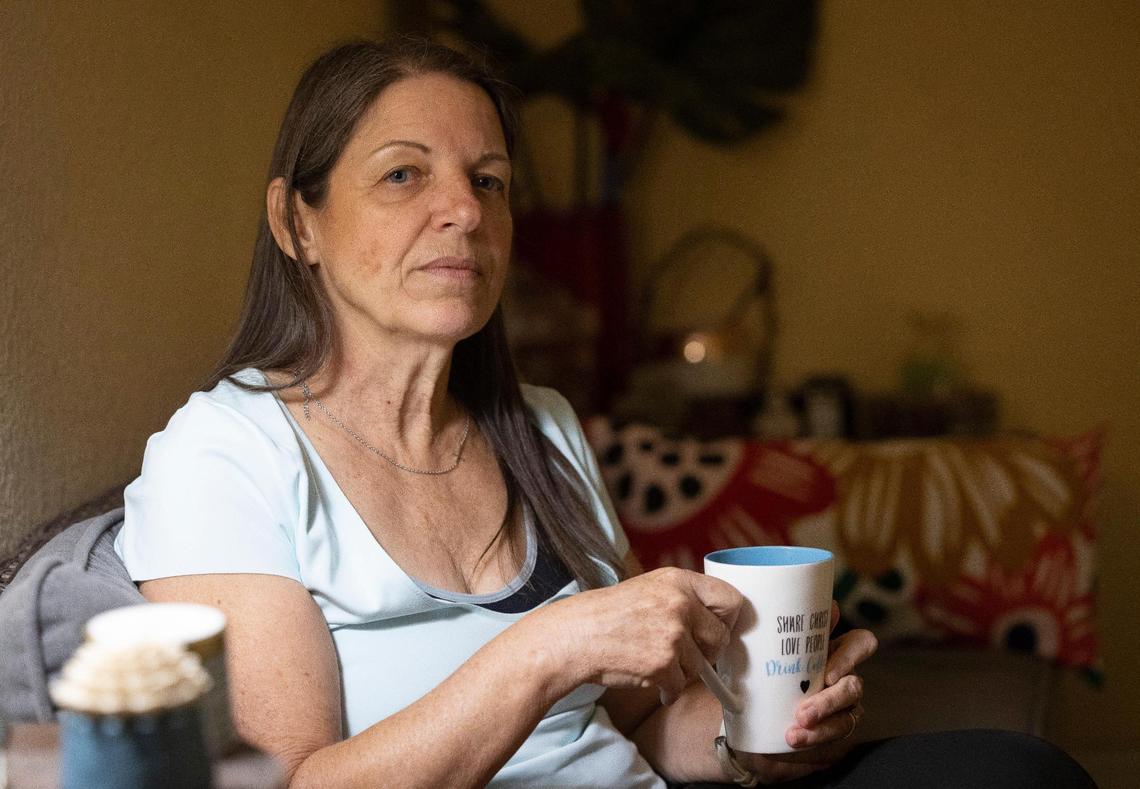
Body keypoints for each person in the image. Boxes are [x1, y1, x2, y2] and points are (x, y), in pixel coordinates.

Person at [114, 39, 1094, 789]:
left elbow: (636, 733)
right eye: (405, 173)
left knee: (1015, 769)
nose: (464, 211)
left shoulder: (540, 427)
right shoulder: (227, 451)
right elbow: (299, 784)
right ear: (297, 222)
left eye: (489, 182)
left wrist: (756, 731)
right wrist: (550, 646)